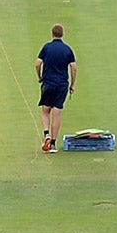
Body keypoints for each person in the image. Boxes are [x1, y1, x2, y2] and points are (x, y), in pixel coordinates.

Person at [36, 24, 77, 153]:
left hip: (48, 83)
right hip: (62, 85)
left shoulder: (47, 47)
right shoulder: (67, 49)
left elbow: (37, 64)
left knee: (45, 110)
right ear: (62, 34)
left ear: (52, 34)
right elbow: (74, 68)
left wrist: (40, 76)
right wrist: (72, 84)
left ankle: (46, 133)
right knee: (57, 113)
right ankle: (53, 144)